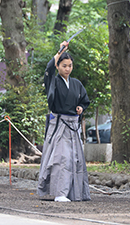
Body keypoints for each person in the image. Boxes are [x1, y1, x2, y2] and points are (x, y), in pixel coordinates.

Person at [37, 41, 91, 202]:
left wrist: (80, 107)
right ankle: (59, 193)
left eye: (70, 66)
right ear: (58, 66)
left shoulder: (76, 84)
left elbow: (84, 100)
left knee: (75, 159)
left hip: (74, 127)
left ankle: (75, 193)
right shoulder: (52, 81)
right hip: (59, 125)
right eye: (64, 65)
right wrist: (60, 50)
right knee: (62, 158)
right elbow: (48, 69)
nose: (67, 69)